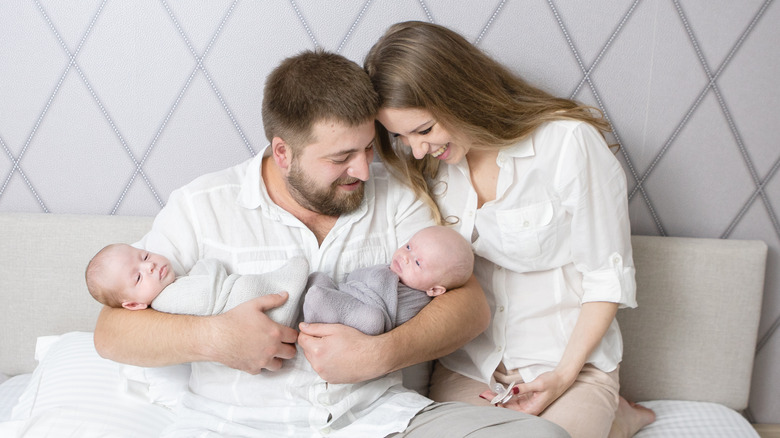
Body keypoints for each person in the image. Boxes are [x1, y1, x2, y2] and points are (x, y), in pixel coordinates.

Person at [92, 49, 568, 437]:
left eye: (367, 148)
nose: (363, 170)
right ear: (283, 152)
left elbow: (470, 306)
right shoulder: (200, 206)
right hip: (232, 425)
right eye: (341, 157)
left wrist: (380, 354)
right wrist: (215, 338)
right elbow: (111, 333)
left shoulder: (397, 201)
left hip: (381, 423)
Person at [365, 21, 656, 438]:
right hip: (471, 369)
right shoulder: (428, 166)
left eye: (424, 130)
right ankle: (613, 421)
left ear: (460, 92)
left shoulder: (567, 144)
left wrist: (562, 377)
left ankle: (614, 416)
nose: (416, 149)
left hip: (566, 368)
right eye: (400, 136)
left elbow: (605, 279)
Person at [304, 225, 474, 335]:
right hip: (349, 295)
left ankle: (315, 302)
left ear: (435, 290)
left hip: (368, 318)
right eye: (408, 247)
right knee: (319, 278)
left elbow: (392, 320)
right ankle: (300, 300)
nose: (405, 257)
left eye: (417, 262)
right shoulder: (394, 270)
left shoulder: (419, 300)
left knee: (372, 319)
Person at [85, 243, 308, 327]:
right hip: (242, 306)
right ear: (134, 305)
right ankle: (289, 290)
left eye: (144, 256)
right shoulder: (167, 301)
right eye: (138, 278)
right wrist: (207, 265)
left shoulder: (173, 286)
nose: (150, 266)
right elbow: (208, 294)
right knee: (250, 288)